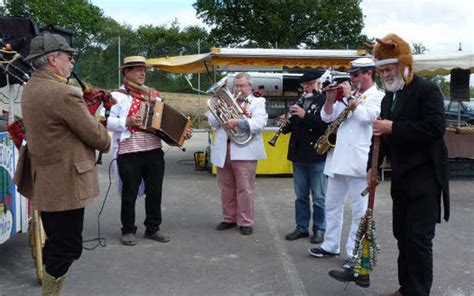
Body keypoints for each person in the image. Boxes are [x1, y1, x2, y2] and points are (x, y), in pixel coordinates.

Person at [331, 34, 450, 296]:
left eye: (388, 68)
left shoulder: (427, 90)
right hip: (402, 177)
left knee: (419, 241)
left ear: (403, 65)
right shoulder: (388, 98)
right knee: (402, 237)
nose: (384, 74)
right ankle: (406, 288)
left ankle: (418, 292)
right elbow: (381, 137)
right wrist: (371, 167)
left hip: (426, 177)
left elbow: (435, 128)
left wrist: (394, 127)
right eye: (381, 69)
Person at [17, 33, 111, 294]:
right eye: (69, 58)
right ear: (52, 58)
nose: (72, 63)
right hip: (65, 183)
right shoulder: (63, 93)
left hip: (47, 180)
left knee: (58, 242)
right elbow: (98, 139)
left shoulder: (32, 88)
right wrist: (102, 127)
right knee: (67, 246)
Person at [107, 56, 192, 246]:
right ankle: (128, 230)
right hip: (129, 152)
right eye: (137, 69)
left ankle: (153, 228)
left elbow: (167, 124)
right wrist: (125, 122)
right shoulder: (117, 96)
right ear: (126, 72)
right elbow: (104, 121)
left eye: (144, 70)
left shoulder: (155, 96)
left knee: (155, 191)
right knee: (129, 193)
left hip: (154, 151)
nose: (142, 73)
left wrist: (181, 133)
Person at [308, 58, 384, 270]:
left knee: (359, 211)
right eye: (351, 74)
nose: (352, 78)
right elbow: (326, 118)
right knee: (332, 206)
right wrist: (330, 100)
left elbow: (367, 117)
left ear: (368, 73)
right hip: (338, 158)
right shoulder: (350, 96)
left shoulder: (378, 96)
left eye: (356, 74)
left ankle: (354, 252)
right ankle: (330, 245)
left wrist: (350, 97)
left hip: (360, 161)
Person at [208, 72, 268, 235]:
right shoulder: (224, 101)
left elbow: (259, 123)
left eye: (242, 85)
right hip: (224, 149)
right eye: (236, 85)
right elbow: (212, 124)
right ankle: (229, 218)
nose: (238, 89)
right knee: (226, 187)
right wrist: (217, 110)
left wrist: (239, 122)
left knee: (245, 188)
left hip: (244, 150)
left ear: (250, 86)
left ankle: (245, 221)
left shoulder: (257, 102)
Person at [280, 69, 328, 244]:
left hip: (317, 154)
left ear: (318, 83)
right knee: (300, 195)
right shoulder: (300, 100)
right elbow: (293, 127)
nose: (306, 87)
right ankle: (301, 227)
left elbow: (326, 127)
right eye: (304, 84)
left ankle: (320, 229)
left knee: (319, 197)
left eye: (310, 84)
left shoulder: (324, 101)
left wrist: (304, 115)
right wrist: (285, 124)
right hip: (298, 154)